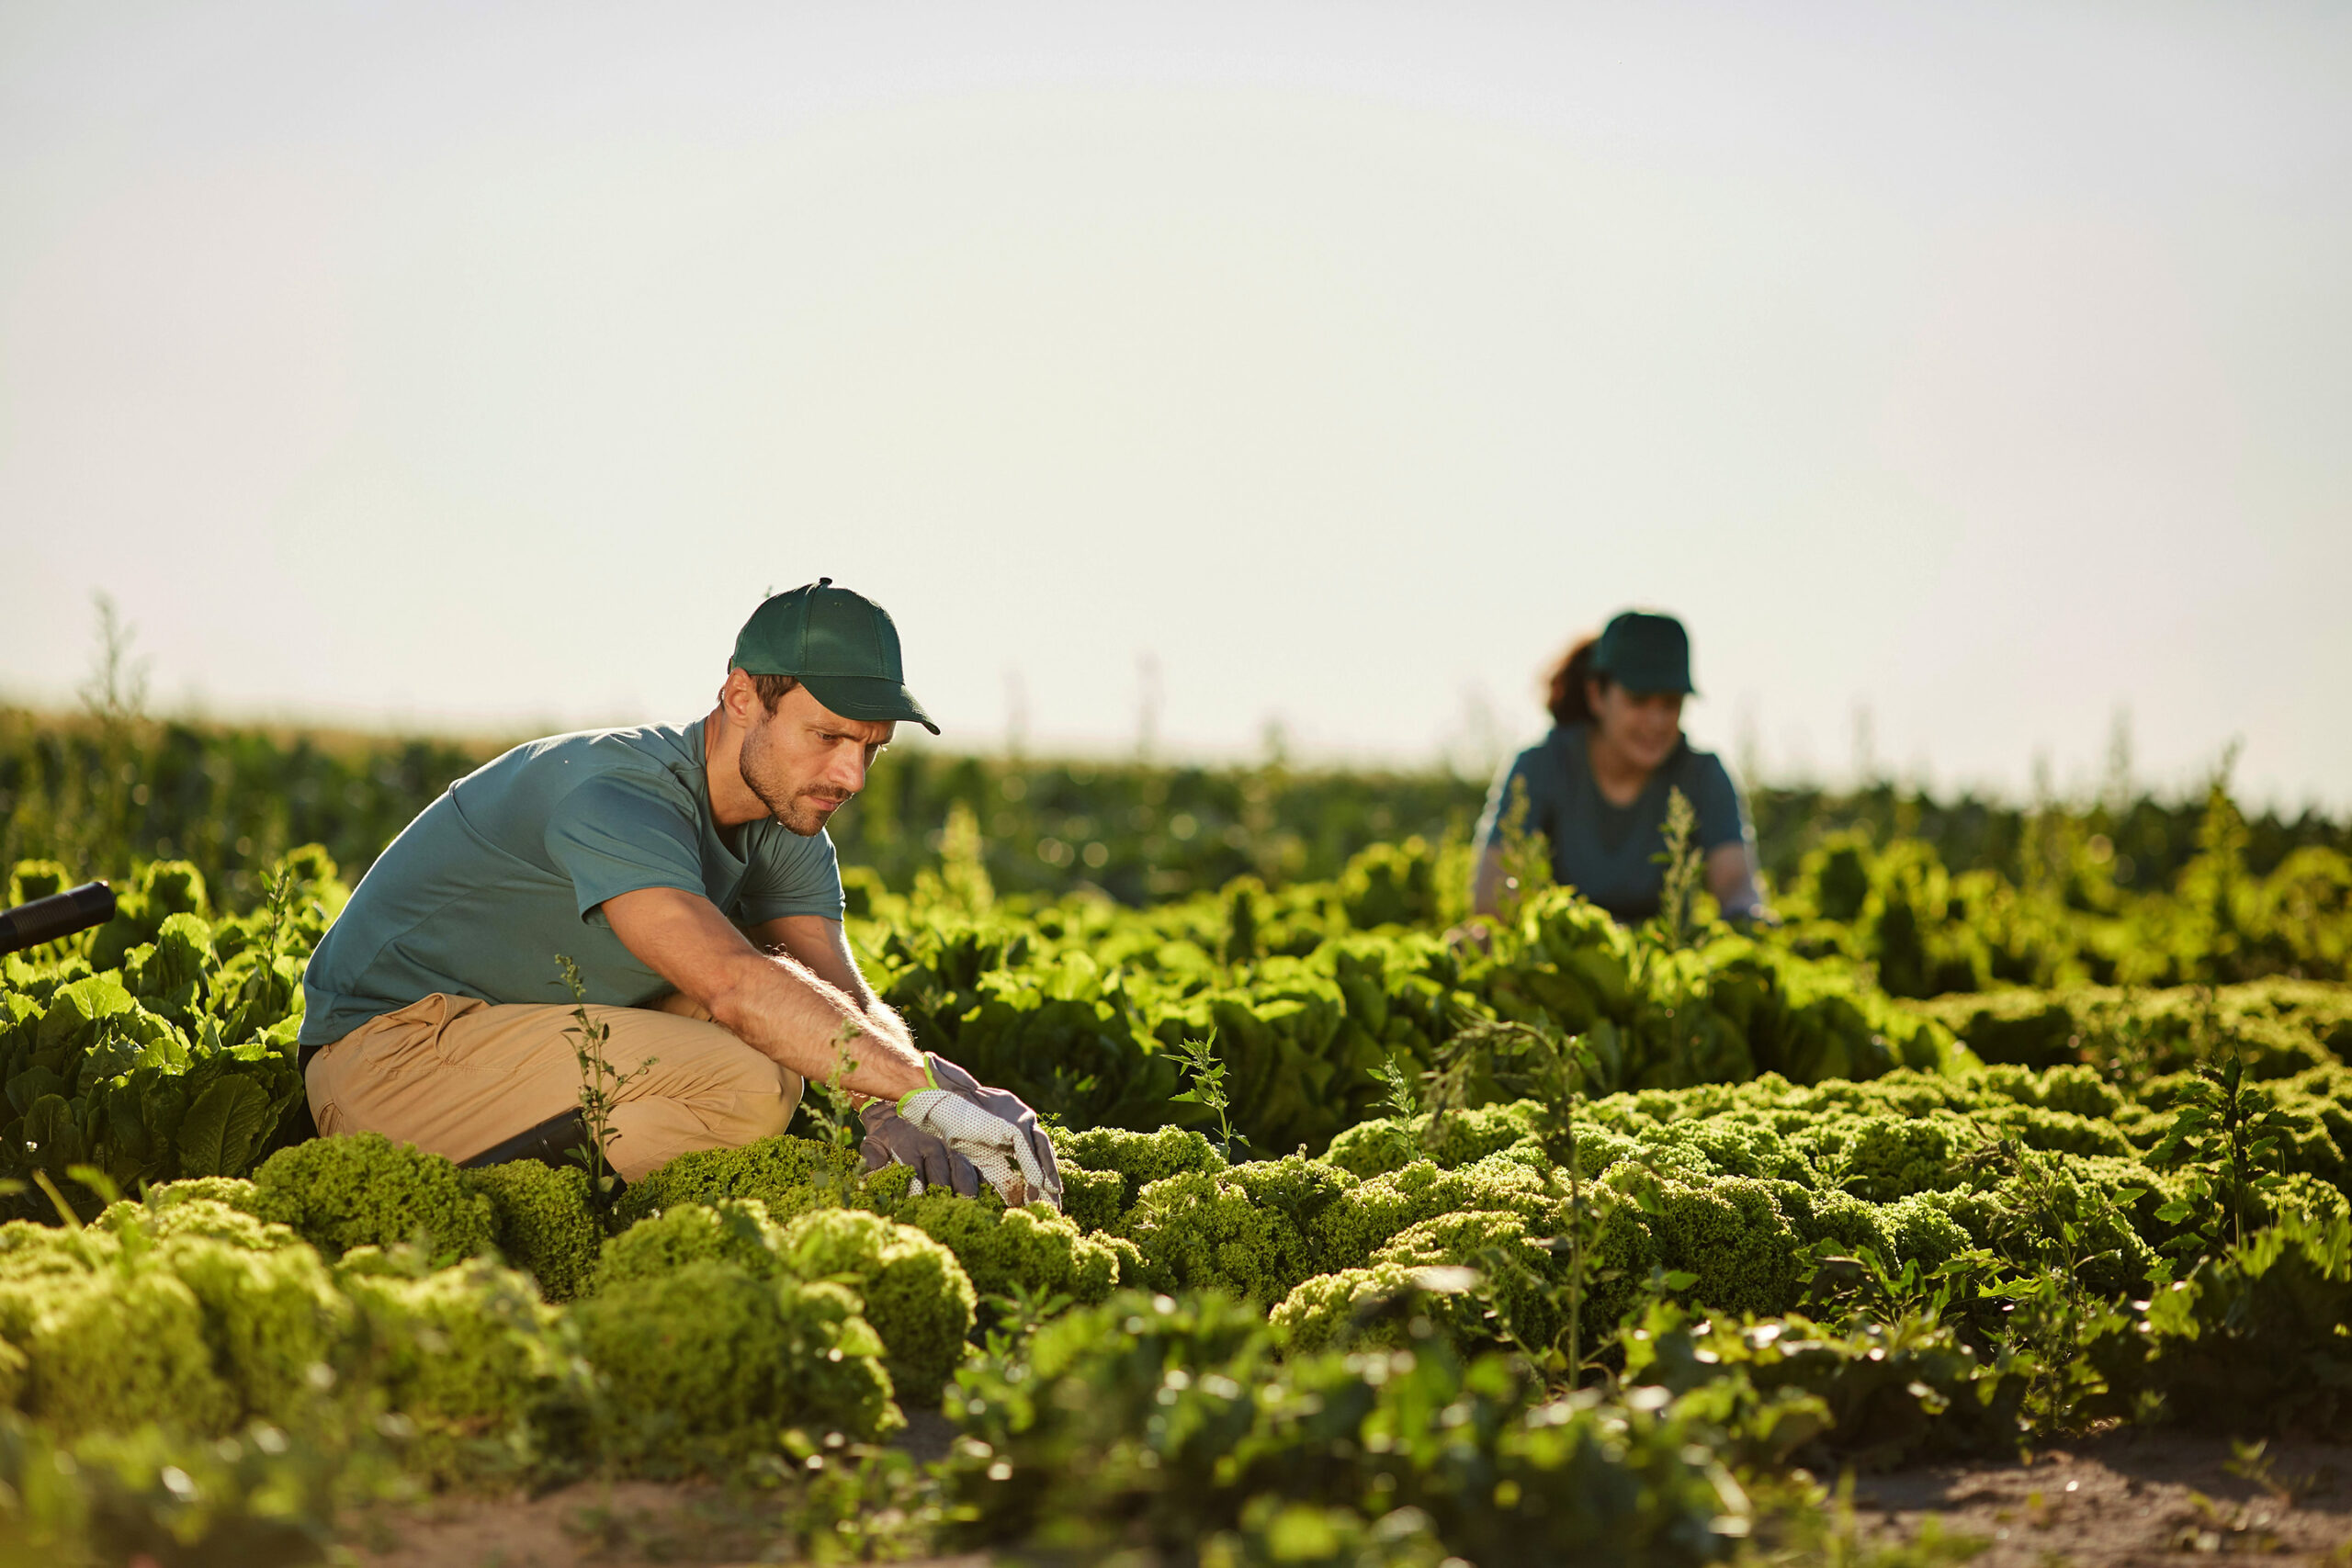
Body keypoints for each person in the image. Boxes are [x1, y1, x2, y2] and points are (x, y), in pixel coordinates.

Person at [296, 579, 1059, 1209]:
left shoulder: (788, 828)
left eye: (870, 748)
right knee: (752, 1074)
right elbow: (732, 984)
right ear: (739, 697)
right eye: (826, 737)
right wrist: (924, 1094)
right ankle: (507, 1216)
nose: (850, 777)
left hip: (520, 1038)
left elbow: (842, 999)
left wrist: (926, 1090)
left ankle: (591, 1208)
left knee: (793, 1042)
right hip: (386, 1061)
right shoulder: (615, 795)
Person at [1470, 609, 1767, 926]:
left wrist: (1749, 920)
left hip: (1663, 961)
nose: (1656, 722)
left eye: (1670, 704)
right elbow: (1492, 897)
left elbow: (1735, 885)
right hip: (1562, 961)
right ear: (1597, 695)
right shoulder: (1541, 765)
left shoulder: (1703, 775)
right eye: (1638, 701)